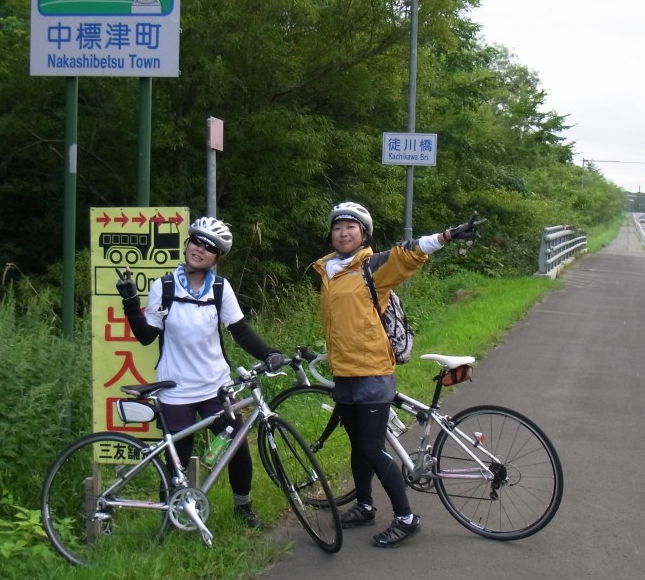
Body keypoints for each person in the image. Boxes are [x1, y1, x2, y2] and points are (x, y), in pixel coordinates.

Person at [312, 201, 483, 547]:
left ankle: (406, 517)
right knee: (358, 446)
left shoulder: (372, 266)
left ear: (364, 234)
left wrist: (446, 236)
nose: (343, 233)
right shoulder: (330, 270)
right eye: (337, 227)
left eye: (351, 227)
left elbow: (409, 253)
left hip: (372, 372)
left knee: (372, 447)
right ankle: (364, 505)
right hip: (344, 371)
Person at [116, 216, 284, 529]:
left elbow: (240, 330)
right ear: (187, 243)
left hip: (216, 387)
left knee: (235, 447)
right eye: (197, 241)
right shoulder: (163, 286)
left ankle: (242, 507)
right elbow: (146, 336)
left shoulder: (221, 288)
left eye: (210, 247)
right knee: (176, 456)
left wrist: (270, 353)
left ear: (216, 258)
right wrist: (130, 302)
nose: (200, 249)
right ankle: (170, 515)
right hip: (176, 390)